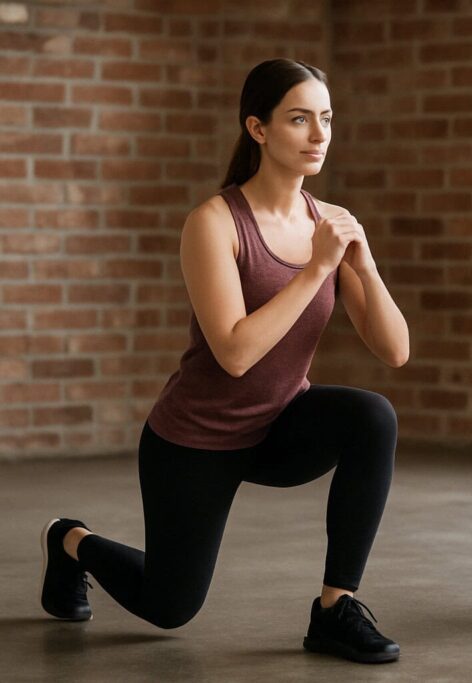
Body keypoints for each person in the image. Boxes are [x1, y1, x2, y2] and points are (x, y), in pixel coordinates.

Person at [39, 59, 409, 664]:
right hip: (196, 439)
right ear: (258, 129)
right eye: (299, 119)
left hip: (279, 427)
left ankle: (334, 610)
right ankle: (70, 541)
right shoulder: (213, 223)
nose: (319, 135)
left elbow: (395, 351)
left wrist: (361, 262)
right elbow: (235, 353)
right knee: (170, 606)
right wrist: (318, 268)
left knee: (373, 415)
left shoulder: (328, 225)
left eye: (326, 119)